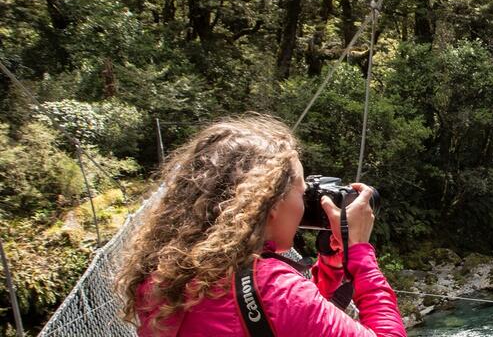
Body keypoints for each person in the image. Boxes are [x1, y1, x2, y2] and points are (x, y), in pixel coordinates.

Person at [115, 114, 406, 336]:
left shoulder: (164, 276)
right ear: (271, 203)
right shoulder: (276, 291)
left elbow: (278, 321)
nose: (305, 203)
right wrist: (360, 253)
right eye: (301, 191)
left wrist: (330, 266)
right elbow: (283, 308)